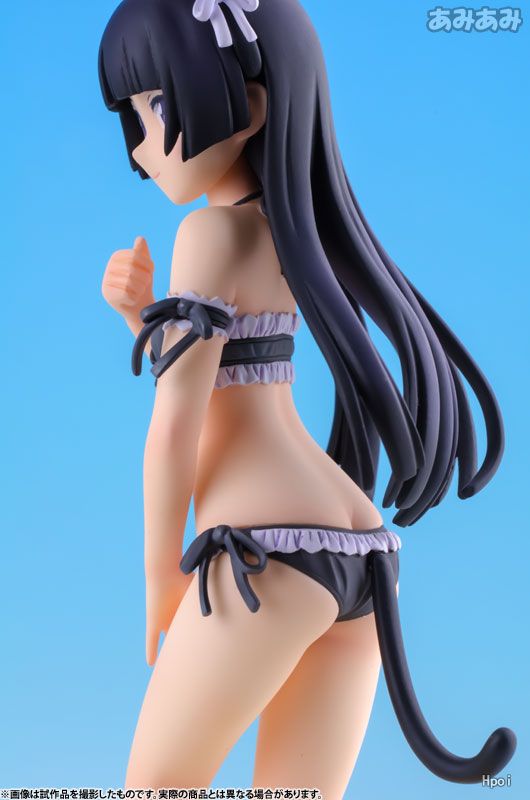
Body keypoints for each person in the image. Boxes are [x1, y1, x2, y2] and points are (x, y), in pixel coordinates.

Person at [98, 0, 516, 793]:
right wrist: (142, 317)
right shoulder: (296, 235)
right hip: (361, 554)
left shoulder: (209, 235)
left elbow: (177, 425)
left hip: (264, 554)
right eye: (133, 115)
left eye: (156, 105)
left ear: (251, 105)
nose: (143, 144)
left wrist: (160, 580)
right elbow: (235, 365)